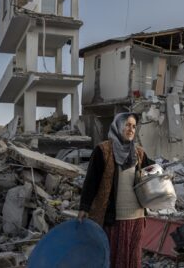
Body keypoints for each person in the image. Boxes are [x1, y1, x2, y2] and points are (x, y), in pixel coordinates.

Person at [78, 112, 154, 268]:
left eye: (133, 126)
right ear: (118, 126)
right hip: (114, 217)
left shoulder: (139, 153)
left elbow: (152, 173)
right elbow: (91, 180)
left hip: (137, 216)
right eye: (127, 125)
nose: (131, 129)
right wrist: (84, 207)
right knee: (113, 258)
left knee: (132, 260)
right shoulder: (103, 150)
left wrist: (164, 176)